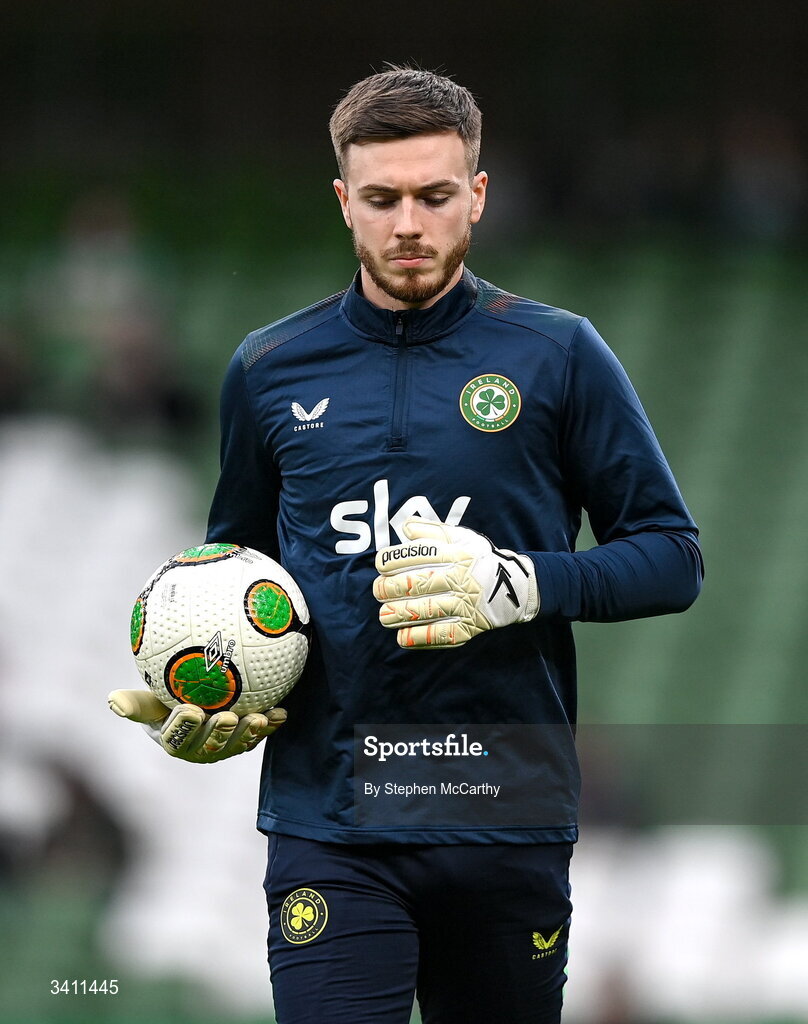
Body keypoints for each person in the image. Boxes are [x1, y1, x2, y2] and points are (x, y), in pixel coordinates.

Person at [110, 66, 703, 1024]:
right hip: (332, 820)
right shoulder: (268, 369)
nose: (409, 225)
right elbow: (237, 575)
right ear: (345, 201)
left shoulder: (557, 354)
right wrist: (213, 696)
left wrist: (516, 583)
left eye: (434, 195)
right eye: (381, 199)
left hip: (505, 812)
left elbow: (673, 556)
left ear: (477, 194)